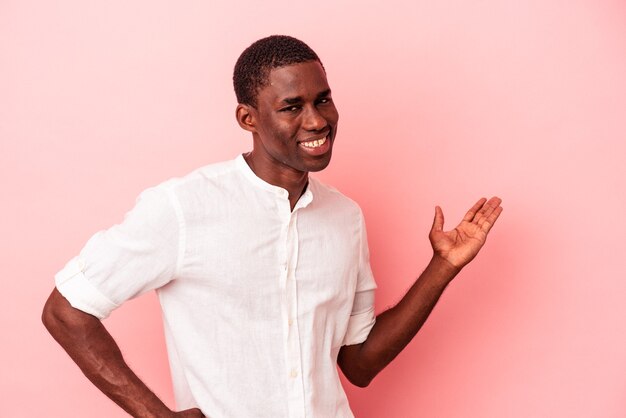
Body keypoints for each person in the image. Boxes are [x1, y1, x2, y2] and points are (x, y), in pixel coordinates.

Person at [42, 35, 503, 418]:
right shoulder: (183, 207)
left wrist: (442, 267)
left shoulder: (346, 218)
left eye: (323, 99)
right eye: (291, 106)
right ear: (248, 118)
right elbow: (67, 310)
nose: (317, 120)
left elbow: (360, 364)